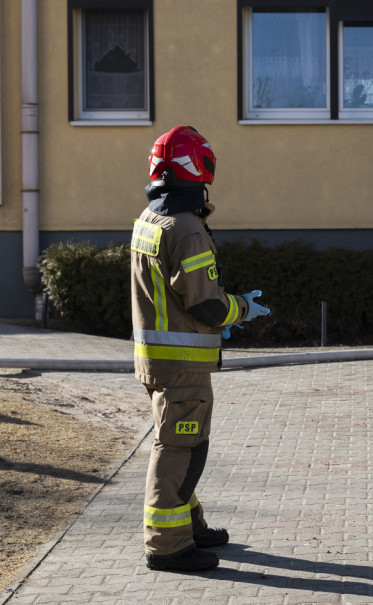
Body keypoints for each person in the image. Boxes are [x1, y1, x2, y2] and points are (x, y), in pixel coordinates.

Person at [131, 125, 270, 572]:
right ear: (198, 169)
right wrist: (243, 309)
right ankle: (167, 545)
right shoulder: (186, 228)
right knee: (178, 451)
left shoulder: (149, 220)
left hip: (158, 359)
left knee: (186, 445)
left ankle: (189, 524)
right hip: (182, 365)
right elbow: (207, 302)